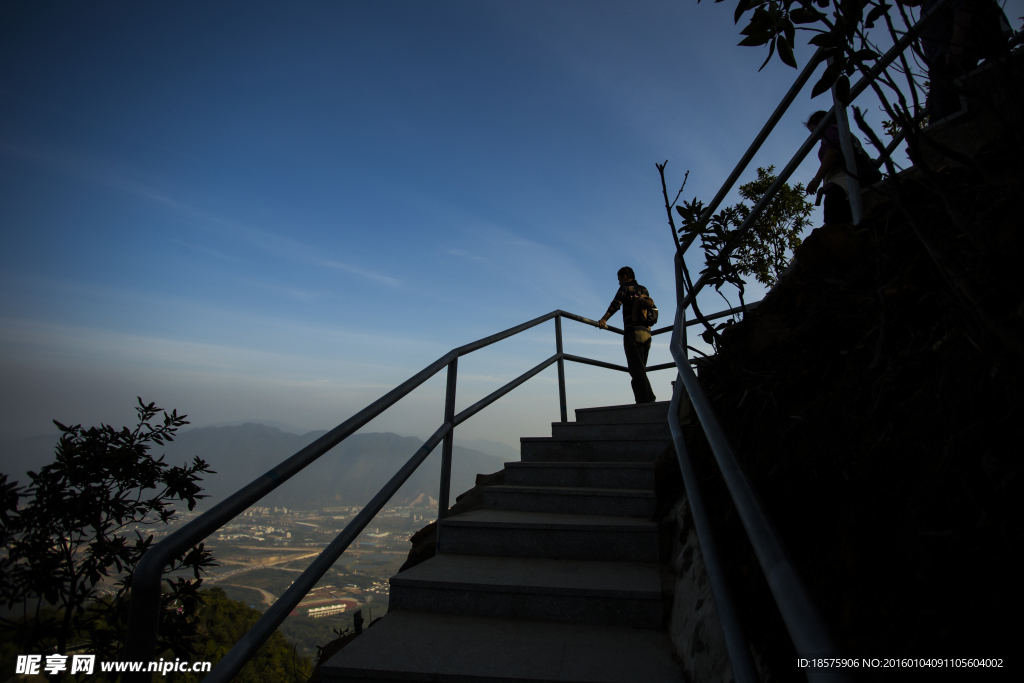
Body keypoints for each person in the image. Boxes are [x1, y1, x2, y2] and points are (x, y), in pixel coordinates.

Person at [904, 0, 1011, 121]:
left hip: (951, 60)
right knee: (939, 121)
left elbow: (963, 8)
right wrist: (932, 91)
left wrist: (957, 43)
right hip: (939, 68)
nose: (903, 2)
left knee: (950, 115)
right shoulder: (925, 9)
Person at [597, 267, 656, 404]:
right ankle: (649, 399)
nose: (618, 282)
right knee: (640, 368)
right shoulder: (644, 289)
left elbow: (615, 305)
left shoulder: (625, 288)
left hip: (633, 333)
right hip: (647, 333)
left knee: (636, 370)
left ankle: (645, 402)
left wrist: (604, 319)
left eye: (619, 279)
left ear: (624, 276)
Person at [805, 110, 854, 226]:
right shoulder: (843, 131)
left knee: (836, 222)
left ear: (821, 121)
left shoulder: (830, 129)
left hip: (841, 180)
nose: (813, 135)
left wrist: (816, 179)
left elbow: (833, 152)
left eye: (813, 130)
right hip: (843, 180)